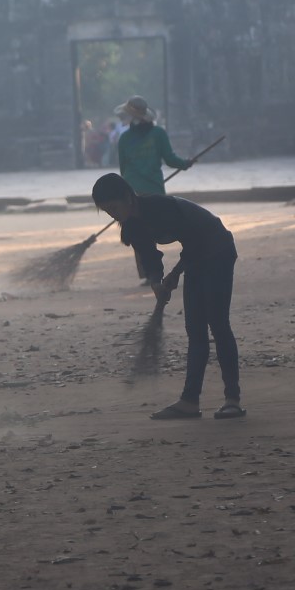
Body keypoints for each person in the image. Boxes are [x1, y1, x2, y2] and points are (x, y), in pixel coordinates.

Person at [91, 172, 244, 421]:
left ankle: (233, 400)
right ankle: (189, 401)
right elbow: (150, 258)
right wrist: (156, 283)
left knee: (217, 322)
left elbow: (196, 241)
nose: (113, 216)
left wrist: (174, 274)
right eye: (108, 212)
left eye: (114, 208)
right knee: (195, 329)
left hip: (219, 250)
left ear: (129, 197)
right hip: (196, 256)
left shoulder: (161, 208)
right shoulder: (132, 226)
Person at [113, 96, 190, 196]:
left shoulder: (124, 138)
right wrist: (185, 163)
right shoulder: (159, 133)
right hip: (154, 188)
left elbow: (123, 168)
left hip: (132, 191)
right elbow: (170, 160)